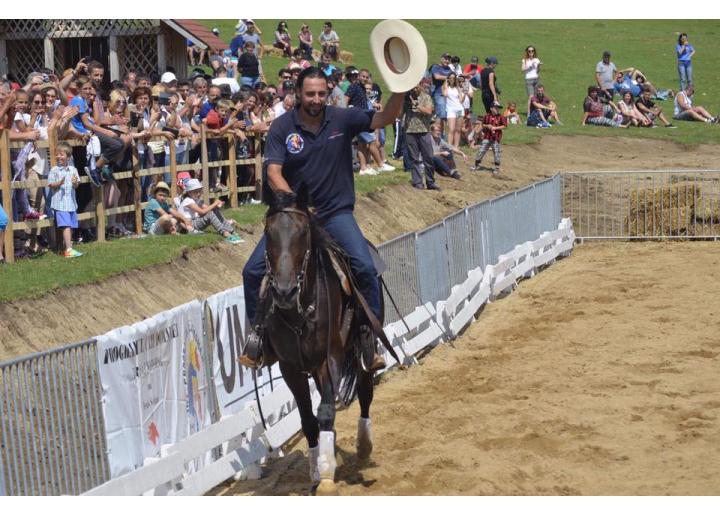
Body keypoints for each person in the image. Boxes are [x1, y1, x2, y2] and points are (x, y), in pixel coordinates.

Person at [239, 66, 405, 369]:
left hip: (335, 214)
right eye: (310, 93)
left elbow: (386, 118)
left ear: (327, 94)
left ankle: (369, 337)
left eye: (321, 93)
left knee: (366, 267)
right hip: (294, 217)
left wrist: (401, 89)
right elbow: (273, 171)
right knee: (251, 272)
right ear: (298, 94)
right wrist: (293, 204)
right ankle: (258, 336)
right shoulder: (281, 127)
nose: (316, 99)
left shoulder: (343, 117)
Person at [179, 179, 243, 244]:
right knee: (210, 214)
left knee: (213, 210)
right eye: (195, 192)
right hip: (189, 224)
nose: (198, 194)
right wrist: (214, 204)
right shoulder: (188, 201)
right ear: (189, 192)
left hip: (194, 221)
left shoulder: (195, 199)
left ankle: (232, 231)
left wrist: (216, 206)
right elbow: (202, 212)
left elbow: (207, 208)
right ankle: (226, 234)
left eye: (199, 191)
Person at [47, 142, 82, 258]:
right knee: (66, 225)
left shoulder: (73, 170)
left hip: (71, 203)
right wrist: (59, 183)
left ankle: (66, 246)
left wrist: (75, 182)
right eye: (57, 154)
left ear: (68, 156)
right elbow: (51, 185)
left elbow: (77, 185)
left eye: (61, 154)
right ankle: (68, 249)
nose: (58, 157)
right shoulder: (54, 170)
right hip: (60, 204)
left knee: (70, 225)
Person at [403, 81, 440, 191]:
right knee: (414, 159)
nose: (414, 89)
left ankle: (430, 181)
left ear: (420, 86)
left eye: (416, 87)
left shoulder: (426, 97)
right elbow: (400, 113)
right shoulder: (406, 98)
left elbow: (429, 111)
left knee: (428, 157)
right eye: (412, 88)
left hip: (424, 130)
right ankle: (418, 182)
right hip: (410, 130)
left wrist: (417, 105)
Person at [471, 103, 507, 175]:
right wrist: (487, 126)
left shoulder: (501, 117)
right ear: (491, 108)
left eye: (498, 108)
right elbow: (483, 124)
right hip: (487, 137)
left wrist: (495, 128)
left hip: (496, 138)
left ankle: (496, 167)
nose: (497, 109)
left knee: (496, 152)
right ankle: (476, 164)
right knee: (481, 150)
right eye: (495, 108)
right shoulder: (487, 116)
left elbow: (504, 126)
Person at [442, 72, 465, 148]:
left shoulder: (457, 88)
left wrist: (463, 92)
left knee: (458, 129)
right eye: (450, 78)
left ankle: (456, 147)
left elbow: (461, 100)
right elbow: (445, 94)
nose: (452, 79)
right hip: (450, 110)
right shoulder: (445, 87)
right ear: (448, 78)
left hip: (459, 109)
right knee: (451, 129)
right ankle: (449, 147)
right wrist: (446, 82)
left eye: (454, 78)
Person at [521, 45, 541, 111]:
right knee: (531, 97)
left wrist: (538, 66)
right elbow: (523, 69)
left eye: (532, 51)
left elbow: (537, 71)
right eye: (529, 51)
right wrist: (529, 67)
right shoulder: (525, 60)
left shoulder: (536, 59)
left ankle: (536, 111)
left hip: (536, 79)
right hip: (529, 80)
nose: (531, 52)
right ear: (527, 52)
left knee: (536, 96)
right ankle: (528, 115)